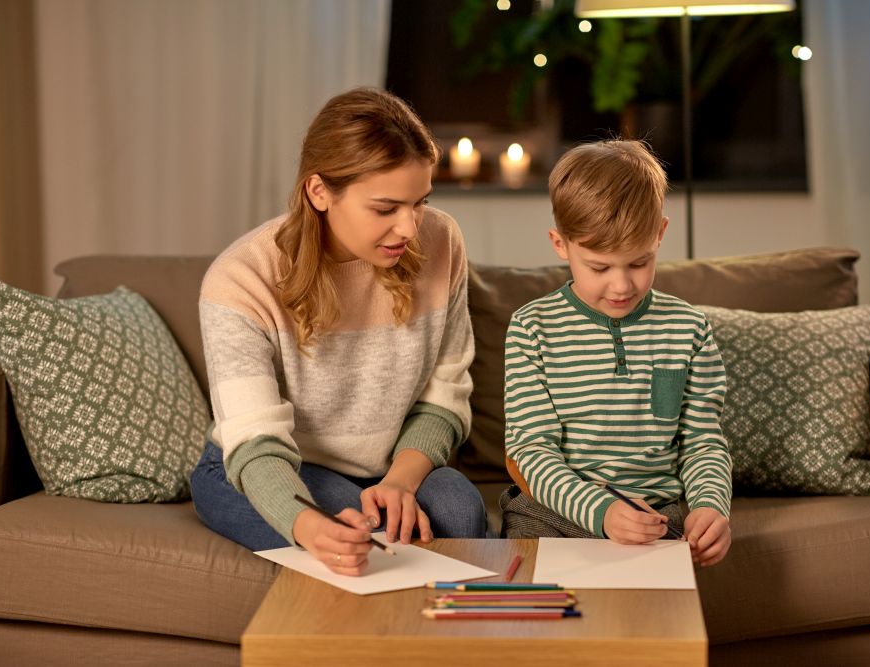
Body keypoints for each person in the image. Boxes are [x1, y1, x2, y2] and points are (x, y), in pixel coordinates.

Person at [191, 87, 487, 576]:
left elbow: (445, 394)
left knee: (461, 511)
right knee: (364, 538)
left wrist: (399, 481)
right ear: (319, 191)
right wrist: (306, 525)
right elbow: (256, 441)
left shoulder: (441, 241)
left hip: (389, 459)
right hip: (265, 464)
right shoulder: (241, 278)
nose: (411, 228)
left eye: (420, 203)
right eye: (386, 208)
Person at [501, 139, 732, 567]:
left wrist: (710, 506)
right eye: (600, 268)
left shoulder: (689, 329)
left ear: (660, 234)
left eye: (639, 263)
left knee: (654, 619)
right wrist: (601, 512)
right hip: (551, 513)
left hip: (655, 516)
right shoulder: (532, 328)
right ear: (560, 244)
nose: (622, 286)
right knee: (533, 605)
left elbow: (702, 443)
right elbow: (531, 451)